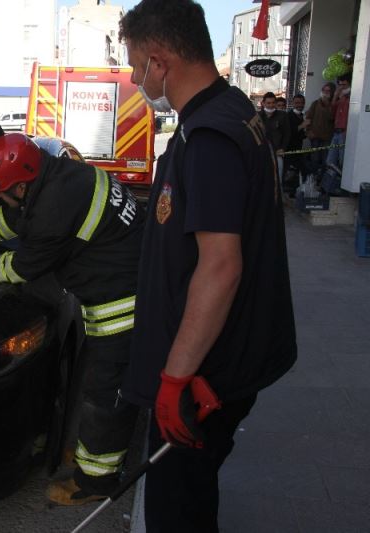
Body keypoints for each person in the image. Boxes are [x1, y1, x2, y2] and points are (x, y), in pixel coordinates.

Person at [119, 1, 297, 531]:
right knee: (194, 498)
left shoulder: (210, 137)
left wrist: (175, 377)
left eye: (137, 65)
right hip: (223, 362)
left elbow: (221, 266)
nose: (136, 79)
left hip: (202, 377)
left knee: (176, 510)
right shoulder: (230, 110)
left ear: (160, 60)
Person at [0, 133, 145, 505]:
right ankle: (90, 452)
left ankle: (97, 481)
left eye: (0, 192)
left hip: (123, 305)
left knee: (105, 394)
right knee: (93, 382)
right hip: (119, 284)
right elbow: (9, 219)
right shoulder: (55, 175)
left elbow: (22, 267)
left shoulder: (54, 209)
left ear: (21, 186)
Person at [304, 82, 335, 173]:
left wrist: (329, 104)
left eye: (328, 91)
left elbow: (332, 117)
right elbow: (308, 117)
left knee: (326, 159)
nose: (326, 92)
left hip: (327, 138)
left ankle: (323, 178)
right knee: (315, 158)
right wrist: (308, 131)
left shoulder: (334, 104)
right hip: (315, 136)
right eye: (324, 90)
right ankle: (314, 176)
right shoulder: (316, 103)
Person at [258, 91, 290, 178]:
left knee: (278, 177)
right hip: (262, 153)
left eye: (273, 103)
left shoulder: (283, 116)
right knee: (262, 177)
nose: (271, 105)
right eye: (268, 103)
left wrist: (283, 148)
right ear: (263, 103)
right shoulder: (257, 116)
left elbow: (287, 134)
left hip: (277, 152)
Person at [326, 74, 351, 173]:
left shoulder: (352, 98)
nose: (341, 87)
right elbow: (331, 112)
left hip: (345, 132)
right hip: (336, 131)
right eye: (340, 85)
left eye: (344, 85)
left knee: (342, 160)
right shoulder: (340, 98)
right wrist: (335, 96)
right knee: (330, 161)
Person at [285, 94, 307, 184]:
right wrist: (302, 125)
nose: (300, 105)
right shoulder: (288, 116)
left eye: (302, 103)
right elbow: (290, 132)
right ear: (293, 103)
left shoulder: (303, 115)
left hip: (299, 148)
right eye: (297, 103)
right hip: (289, 150)